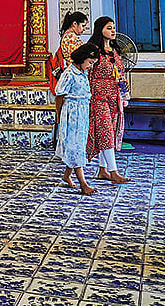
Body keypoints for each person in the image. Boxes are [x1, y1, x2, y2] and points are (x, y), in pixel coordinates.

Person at [85, 16, 131, 184]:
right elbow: (87, 73)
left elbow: (120, 72)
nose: (113, 31)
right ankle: (114, 172)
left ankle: (102, 170)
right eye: (109, 28)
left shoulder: (114, 51)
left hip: (114, 96)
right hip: (98, 97)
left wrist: (123, 87)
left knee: (110, 132)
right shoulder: (93, 50)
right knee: (105, 133)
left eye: (113, 27)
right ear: (100, 30)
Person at [55, 42, 101, 195]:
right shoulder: (69, 73)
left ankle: (67, 175)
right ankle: (83, 183)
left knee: (78, 145)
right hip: (71, 114)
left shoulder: (82, 72)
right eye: (90, 62)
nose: (91, 66)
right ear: (82, 59)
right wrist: (59, 117)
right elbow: (59, 95)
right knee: (74, 146)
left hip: (82, 113)